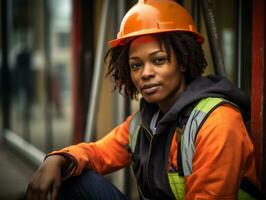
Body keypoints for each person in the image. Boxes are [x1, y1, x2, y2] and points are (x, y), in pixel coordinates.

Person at [26, 0, 261, 199]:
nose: (145, 73)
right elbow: (97, 154)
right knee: (71, 179)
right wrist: (57, 159)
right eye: (136, 65)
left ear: (183, 62)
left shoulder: (218, 121)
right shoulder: (143, 122)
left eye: (158, 60)